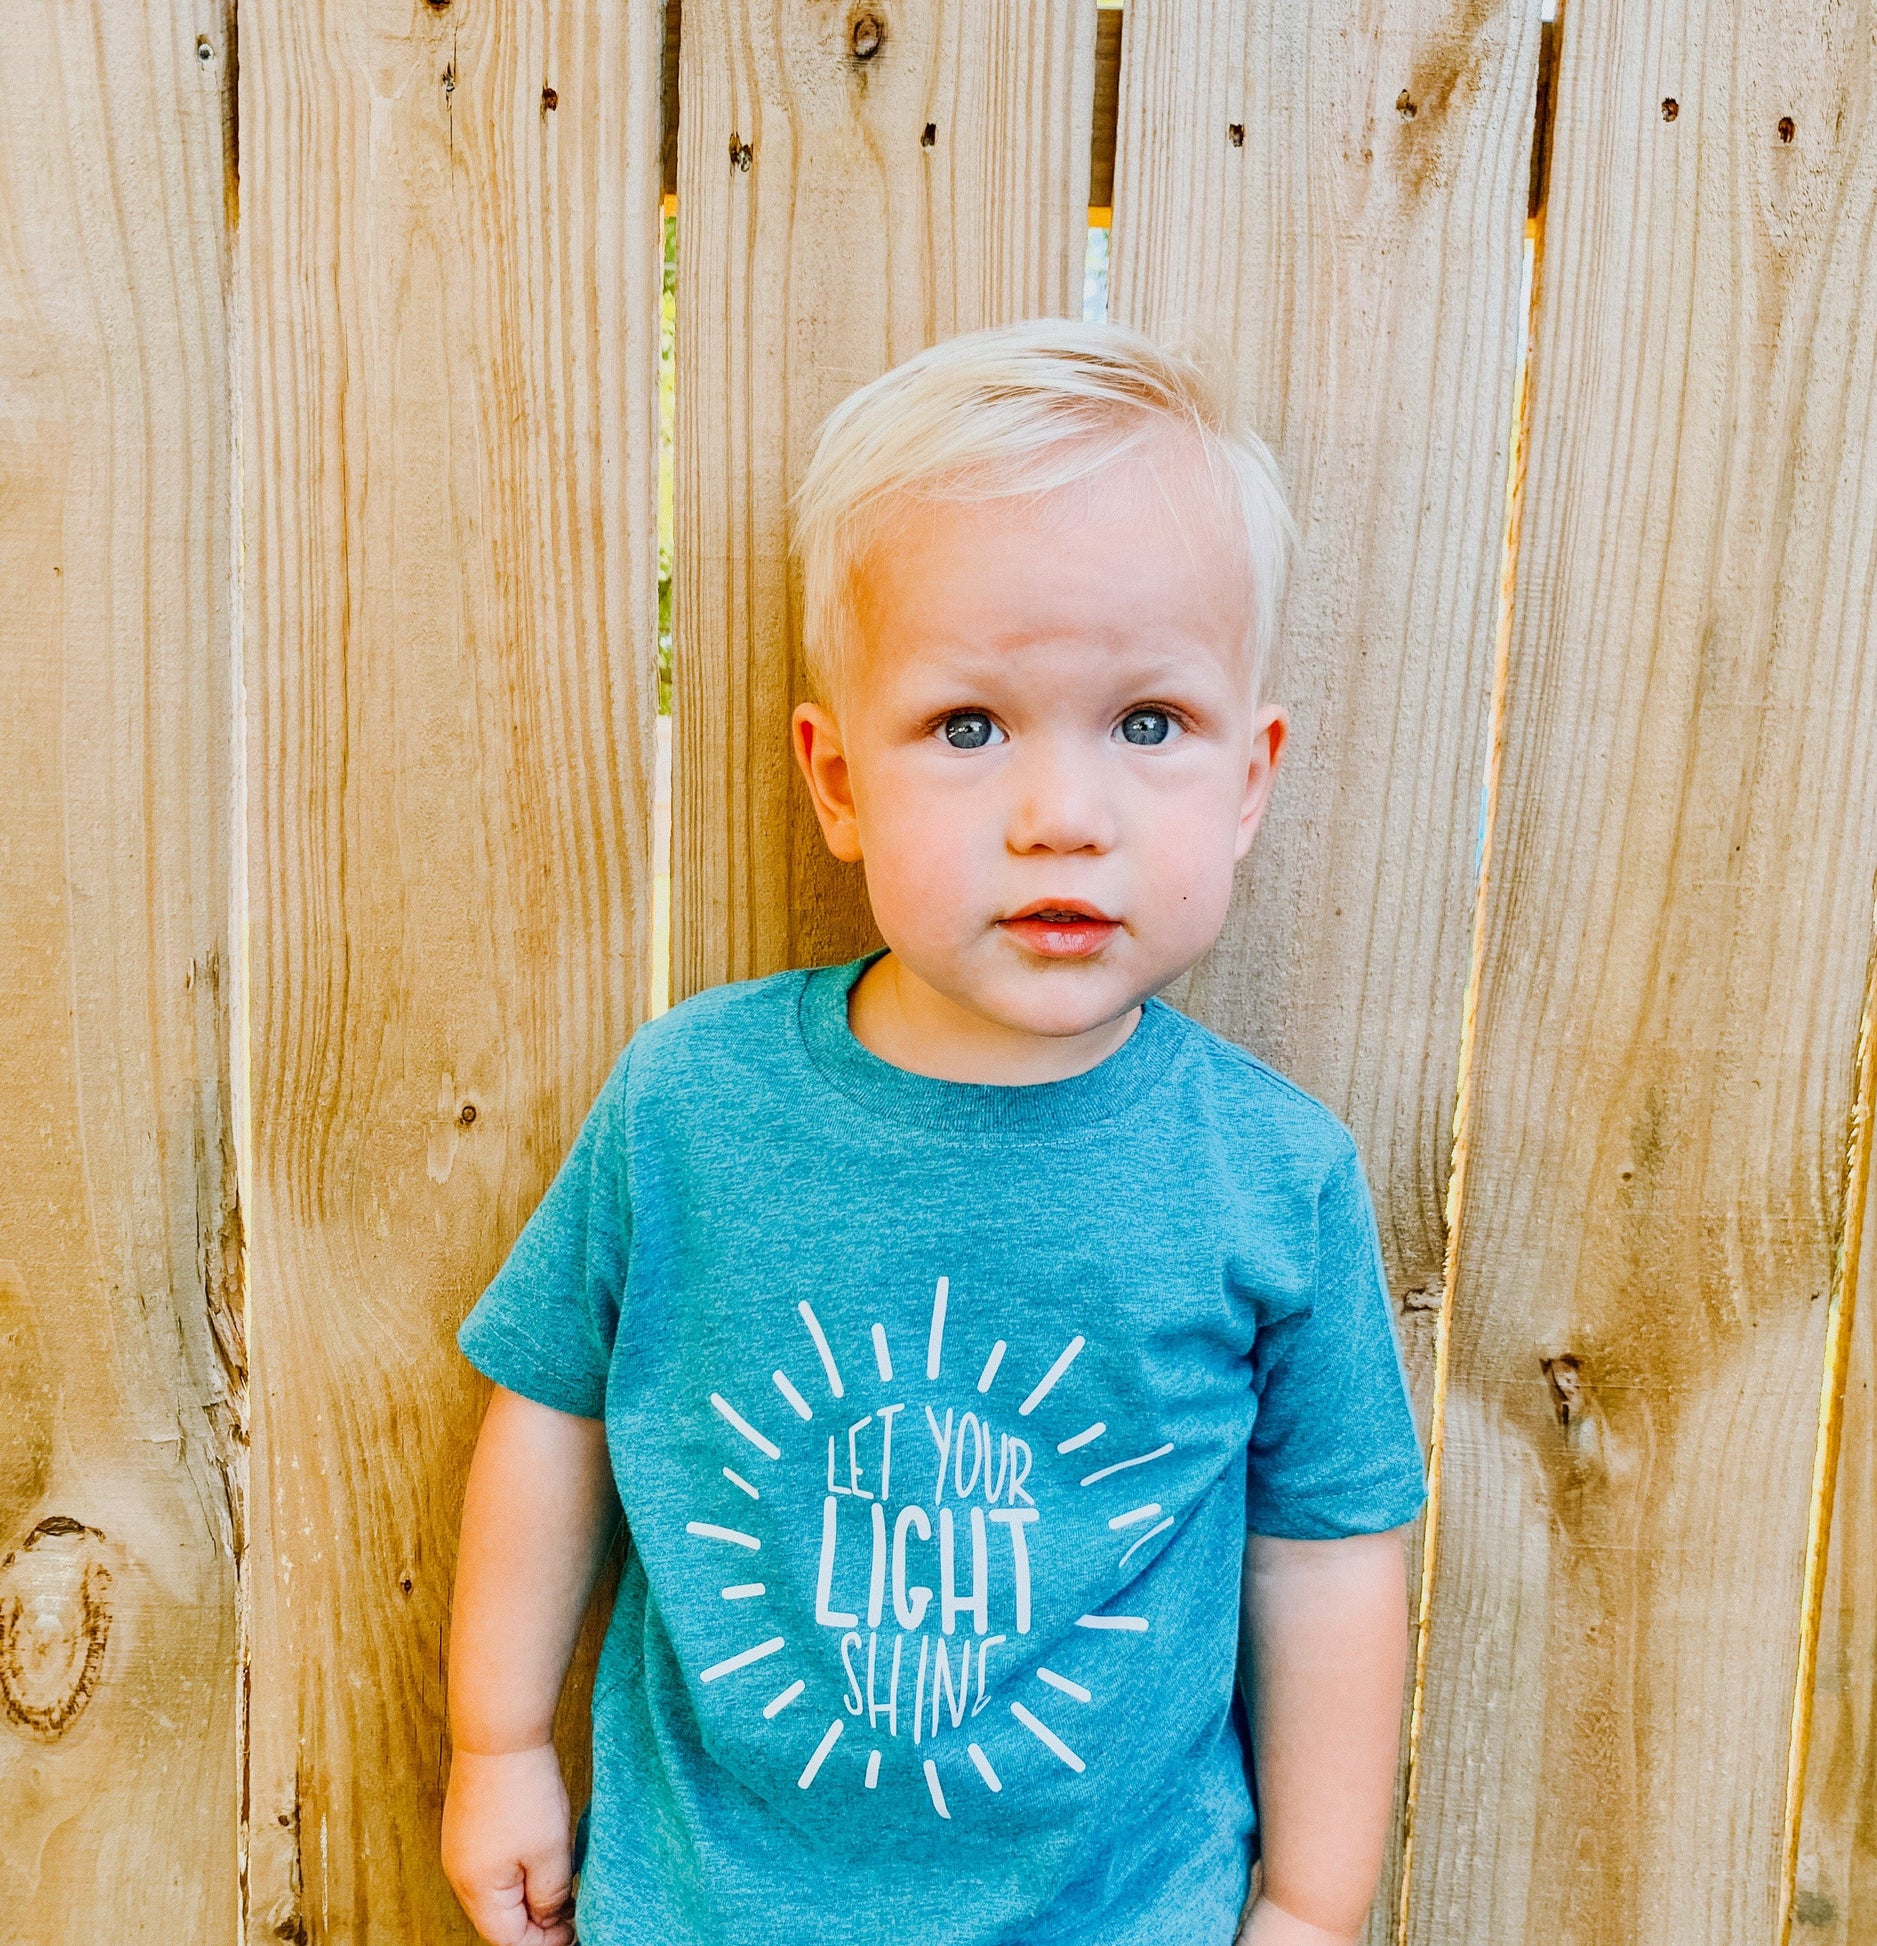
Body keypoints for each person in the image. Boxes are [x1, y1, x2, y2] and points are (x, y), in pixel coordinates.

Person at [440, 319, 1427, 1946]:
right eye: (968, 726)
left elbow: (1324, 1556)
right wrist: (498, 1746)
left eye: (1148, 723)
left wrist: (1313, 1908)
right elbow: (552, 1416)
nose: (1062, 814)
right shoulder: (690, 1105)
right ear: (838, 782)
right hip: (706, 1906)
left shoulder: (1273, 1177)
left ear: (1248, 780)